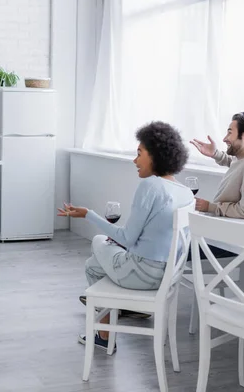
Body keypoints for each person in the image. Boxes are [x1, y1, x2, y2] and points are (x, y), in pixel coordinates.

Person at [58, 121, 193, 352]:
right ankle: (112, 318)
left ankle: (104, 333)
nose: (135, 160)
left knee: (97, 248)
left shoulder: (151, 186)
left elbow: (128, 238)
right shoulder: (186, 193)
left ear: (156, 155)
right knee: (97, 260)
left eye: (139, 153)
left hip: (139, 274)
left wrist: (89, 214)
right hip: (166, 278)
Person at [190, 112, 244, 219]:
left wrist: (210, 207)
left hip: (232, 229)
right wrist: (215, 154)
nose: (224, 139)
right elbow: (236, 163)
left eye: (230, 133)